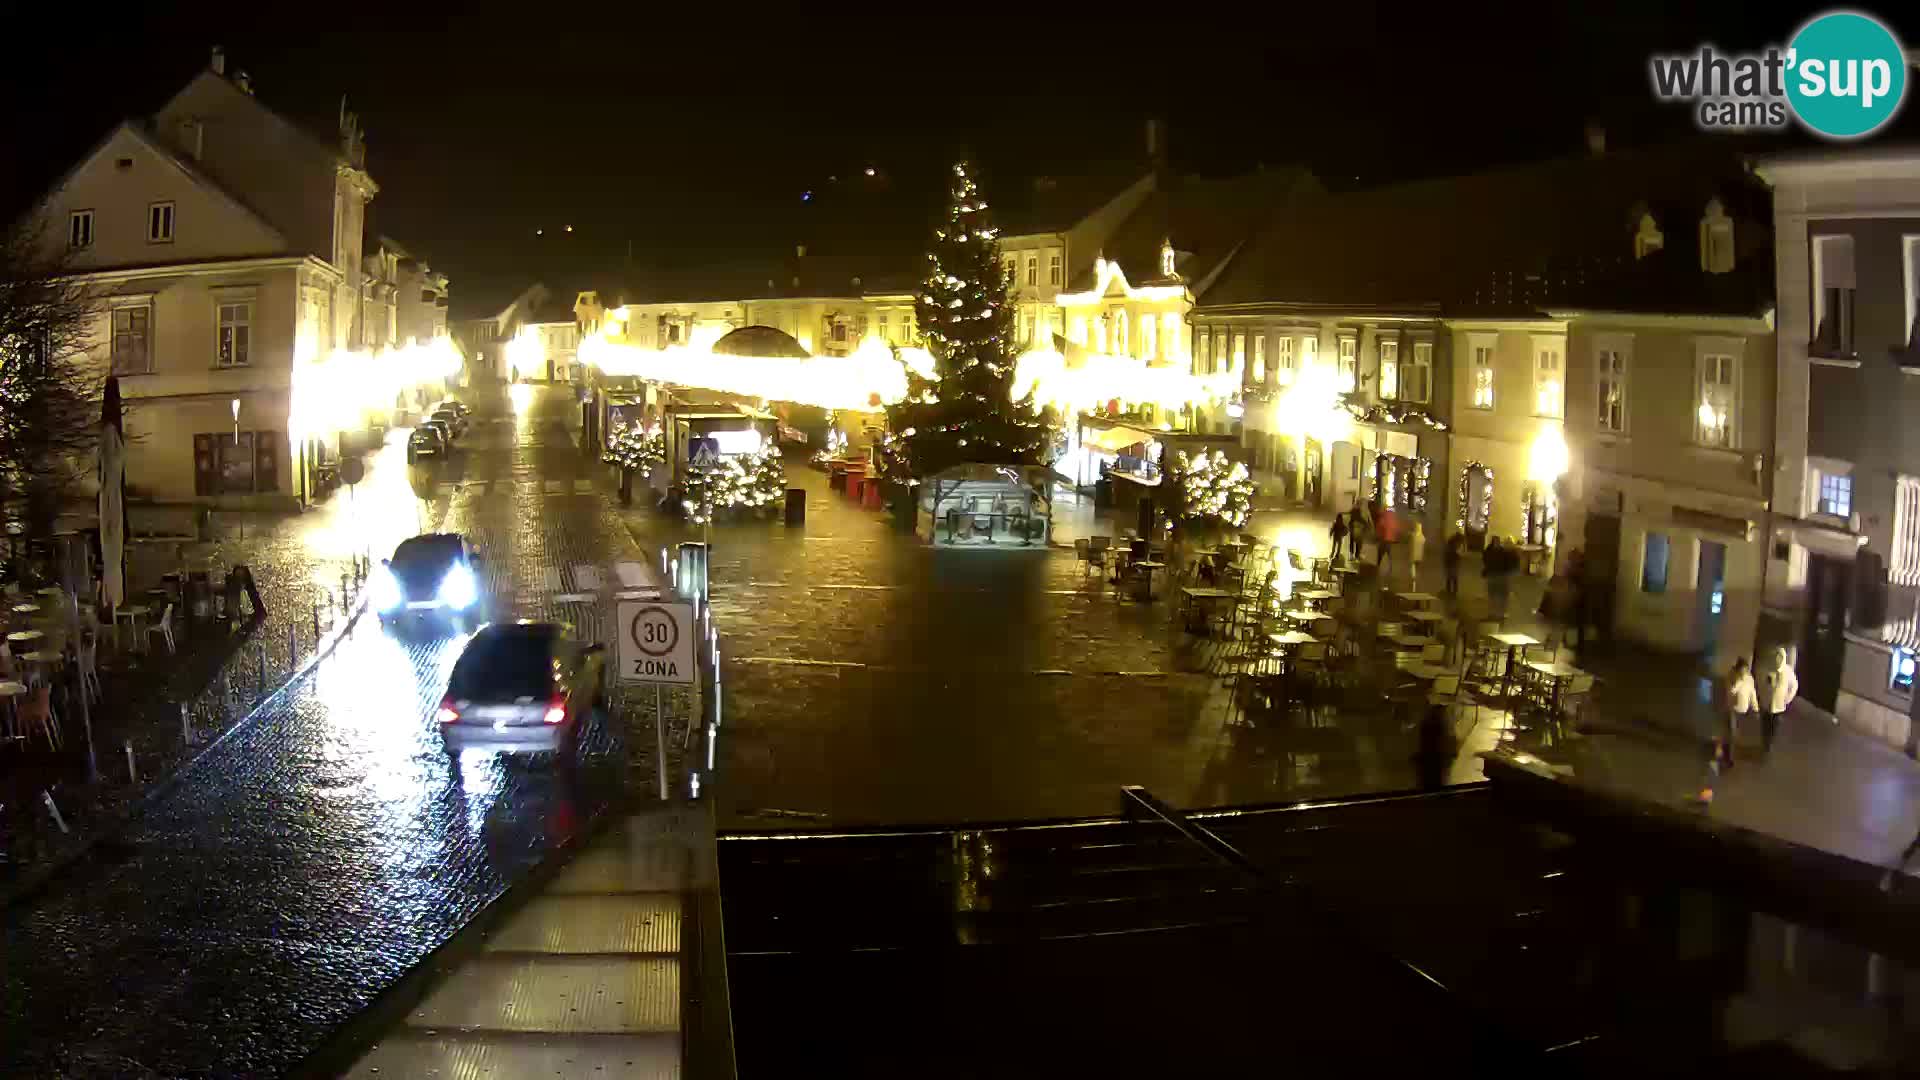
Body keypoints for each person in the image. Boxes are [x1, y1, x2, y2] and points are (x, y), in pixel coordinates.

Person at [1757, 647, 1799, 757]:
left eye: (1780, 657)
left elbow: (1794, 686)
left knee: (1774, 725)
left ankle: (1769, 743)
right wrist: (1762, 695)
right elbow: (1760, 682)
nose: (1778, 659)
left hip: (1779, 705)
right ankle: (1765, 743)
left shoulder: (1788, 671)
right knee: (1765, 724)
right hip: (1766, 704)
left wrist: (1787, 699)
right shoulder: (1767, 669)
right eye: (1777, 657)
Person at [1724, 656, 1756, 770]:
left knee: (1738, 734)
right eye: (1742, 671)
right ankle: (1729, 758)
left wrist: (1755, 707)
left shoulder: (1749, 679)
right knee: (1732, 733)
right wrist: (1738, 681)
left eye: (1746, 671)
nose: (1744, 673)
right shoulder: (1731, 678)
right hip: (1733, 710)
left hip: (1744, 710)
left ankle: (1733, 752)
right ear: (1737, 670)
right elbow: (1730, 692)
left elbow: (1752, 693)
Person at [1406, 521, 1427, 591]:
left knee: (1412, 566)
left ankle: (1413, 578)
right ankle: (1416, 579)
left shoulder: (1413, 535)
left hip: (1413, 554)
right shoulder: (1422, 537)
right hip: (1419, 555)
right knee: (1417, 567)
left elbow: (1409, 537)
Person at [1443, 531, 1464, 596]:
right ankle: (1453, 591)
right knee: (1453, 577)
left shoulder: (1451, 542)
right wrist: (1459, 555)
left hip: (1450, 561)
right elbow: (1455, 553)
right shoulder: (1455, 544)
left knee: (1450, 577)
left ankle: (1450, 590)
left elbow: (1447, 553)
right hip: (1453, 561)